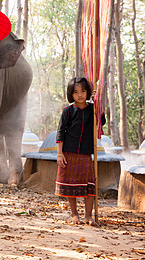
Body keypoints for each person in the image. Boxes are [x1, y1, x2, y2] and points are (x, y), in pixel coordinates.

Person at [56, 77, 105, 227]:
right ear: (71, 94)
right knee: (71, 186)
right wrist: (59, 153)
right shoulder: (68, 111)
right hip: (69, 153)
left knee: (89, 186)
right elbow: (60, 132)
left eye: (83, 91)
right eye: (76, 92)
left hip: (86, 154)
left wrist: (97, 102)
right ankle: (74, 214)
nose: (80, 95)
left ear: (88, 92)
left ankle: (88, 216)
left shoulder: (92, 110)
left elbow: (101, 121)